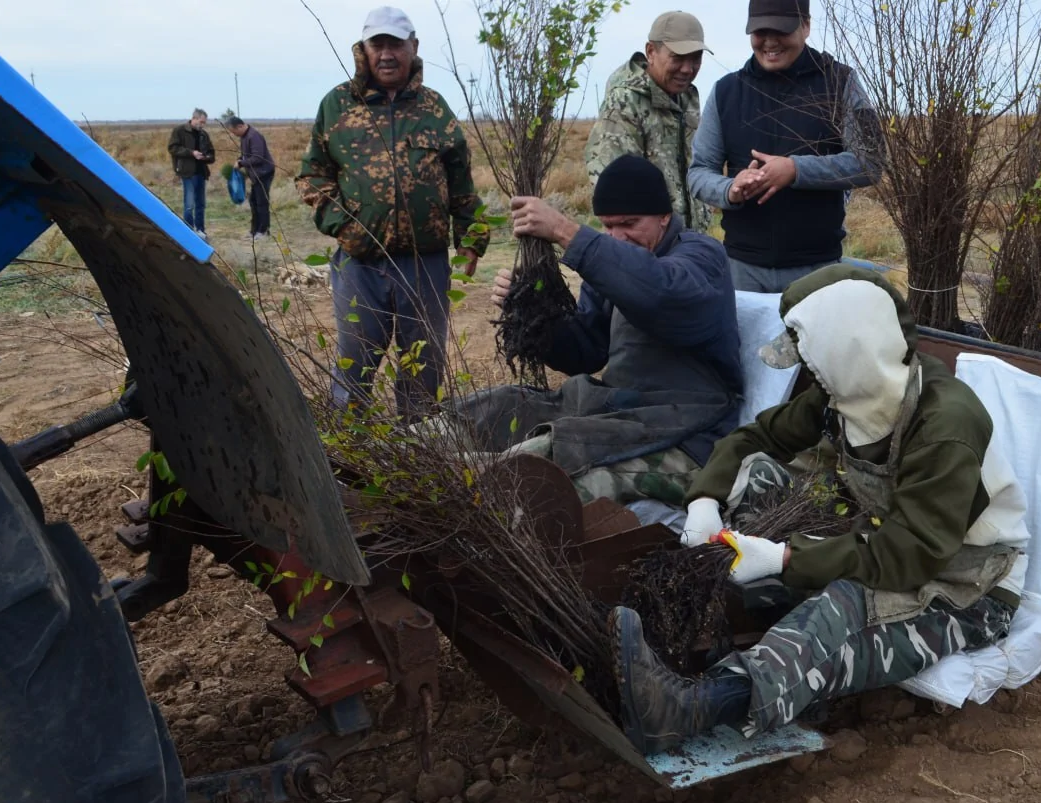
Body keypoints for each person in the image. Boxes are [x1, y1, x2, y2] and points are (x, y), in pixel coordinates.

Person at [608, 264, 1030, 754]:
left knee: (845, 603)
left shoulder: (945, 424)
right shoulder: (849, 396)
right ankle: (715, 625)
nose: (810, 376)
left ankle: (693, 705)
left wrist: (788, 559)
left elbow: (909, 556)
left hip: (966, 584)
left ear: (848, 350)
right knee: (764, 478)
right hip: (881, 533)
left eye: (812, 359)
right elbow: (753, 439)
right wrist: (704, 501)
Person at [450, 154, 742, 508]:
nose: (618, 238)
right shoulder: (614, 270)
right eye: (607, 226)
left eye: (630, 223)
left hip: (689, 431)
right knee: (491, 410)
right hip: (619, 412)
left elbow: (663, 294)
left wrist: (565, 232)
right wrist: (529, 312)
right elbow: (584, 351)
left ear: (665, 216)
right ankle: (401, 462)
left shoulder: (701, 255)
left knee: (533, 472)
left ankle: (461, 502)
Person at [296, 6, 486, 419]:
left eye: (395, 44)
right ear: (363, 49)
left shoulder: (436, 108)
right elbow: (311, 176)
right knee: (354, 367)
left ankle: (420, 450)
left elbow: (461, 181)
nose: (386, 54)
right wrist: (347, 229)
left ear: (413, 48)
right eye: (376, 44)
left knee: (425, 368)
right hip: (360, 263)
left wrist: (471, 239)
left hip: (426, 263)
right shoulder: (337, 104)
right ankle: (348, 459)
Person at [687, 0, 883, 293]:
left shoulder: (841, 82)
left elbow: (871, 163)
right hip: (741, 271)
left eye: (781, 30)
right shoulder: (725, 91)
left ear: (806, 26)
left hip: (818, 272)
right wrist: (730, 189)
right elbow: (699, 172)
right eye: (760, 31)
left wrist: (795, 170)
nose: (769, 41)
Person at [585, 11, 714, 233]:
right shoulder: (625, 102)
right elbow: (614, 188)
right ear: (651, 52)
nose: (688, 68)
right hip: (649, 246)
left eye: (695, 58)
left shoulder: (686, 97)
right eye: (678, 57)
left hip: (688, 243)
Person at [167, 108, 215, 237]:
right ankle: (188, 231)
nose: (203, 125)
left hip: (201, 172)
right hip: (187, 172)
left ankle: (200, 230)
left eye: (204, 123)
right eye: (201, 121)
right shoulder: (179, 131)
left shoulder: (204, 134)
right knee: (189, 203)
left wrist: (206, 157)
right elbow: (173, 148)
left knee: (201, 203)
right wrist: (191, 153)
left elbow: (212, 153)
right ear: (194, 118)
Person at [227, 117, 276, 241]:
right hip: (255, 175)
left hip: (264, 173)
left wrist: (242, 163)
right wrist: (240, 159)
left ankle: (263, 231)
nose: (234, 134)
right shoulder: (244, 137)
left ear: (240, 126)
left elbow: (258, 158)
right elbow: (246, 154)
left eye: (234, 131)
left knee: (261, 202)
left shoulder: (254, 136)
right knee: (253, 202)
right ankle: (254, 230)